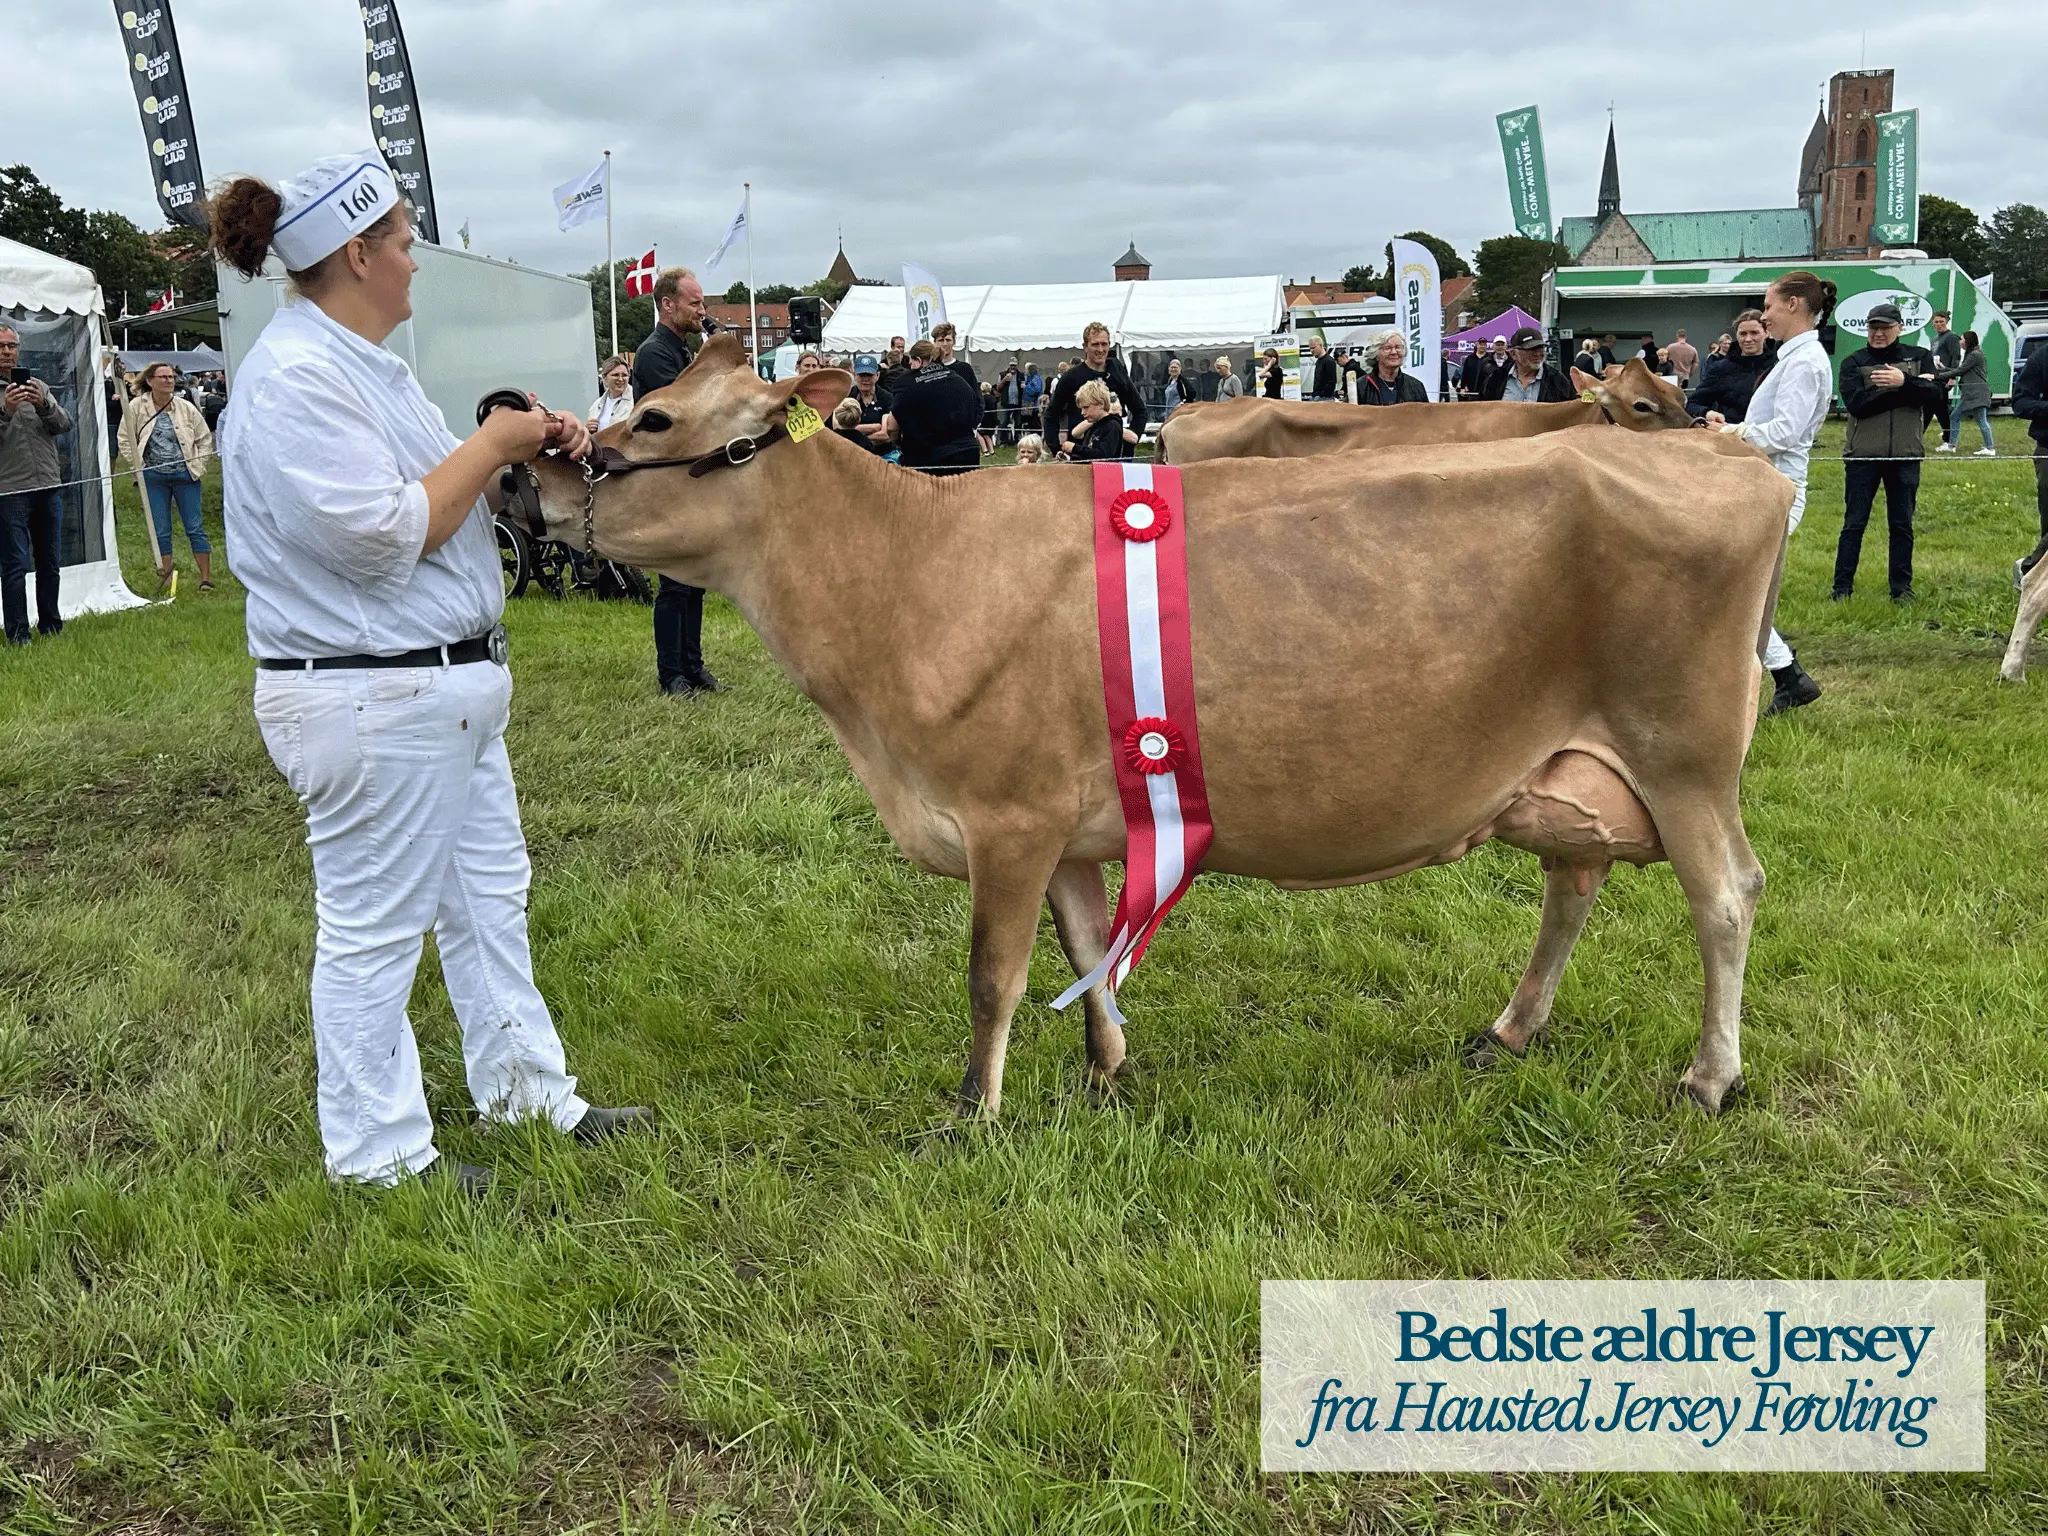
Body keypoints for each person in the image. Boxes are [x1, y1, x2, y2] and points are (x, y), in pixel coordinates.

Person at [208, 152, 651, 1191]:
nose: (415, 262)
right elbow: (380, 535)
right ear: (358, 255)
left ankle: (528, 1092)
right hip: (371, 692)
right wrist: (491, 442)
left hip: (433, 690)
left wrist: (518, 452)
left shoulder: (370, 367)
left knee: (489, 901)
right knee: (374, 930)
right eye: (404, 244)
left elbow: (442, 497)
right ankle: (379, 1156)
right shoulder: (295, 380)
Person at [1702, 270, 1836, 716]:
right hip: (1763, 485)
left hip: (1777, 489)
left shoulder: (1805, 361)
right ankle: (1786, 676)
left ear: (1793, 305)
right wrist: (1732, 429)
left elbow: (1784, 433)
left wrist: (1730, 432)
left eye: (1769, 306)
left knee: (1733, 588)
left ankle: (1785, 675)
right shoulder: (1796, 357)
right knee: (1731, 587)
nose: (1764, 316)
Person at [632, 267, 720, 695]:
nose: (702, 311)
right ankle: (671, 674)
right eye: (694, 303)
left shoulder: (682, 350)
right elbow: (686, 412)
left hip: (687, 477)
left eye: (702, 303)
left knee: (694, 579)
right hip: (663, 480)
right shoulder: (655, 354)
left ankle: (693, 665)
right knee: (673, 582)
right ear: (668, 305)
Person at [1835, 300, 1943, 602]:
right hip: (1863, 456)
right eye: (1873, 327)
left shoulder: (1919, 356)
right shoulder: (1853, 362)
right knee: (1854, 524)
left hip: (1905, 455)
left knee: (1902, 525)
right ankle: (1841, 588)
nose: (1878, 333)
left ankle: (1901, 589)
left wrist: (1904, 381)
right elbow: (1857, 405)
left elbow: (1935, 394)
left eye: (1885, 327)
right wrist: (1904, 390)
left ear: (1900, 328)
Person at [118, 360, 217, 592]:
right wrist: (138, 466)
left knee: (195, 527)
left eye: (171, 377)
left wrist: (199, 465)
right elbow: (125, 438)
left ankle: (205, 579)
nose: (169, 380)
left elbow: (204, 438)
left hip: (186, 476)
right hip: (153, 478)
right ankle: (165, 576)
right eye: (163, 377)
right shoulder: (136, 407)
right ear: (150, 381)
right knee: (160, 529)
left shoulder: (185, 407)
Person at [0, 323, 69, 645]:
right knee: (15, 565)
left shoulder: (37, 385)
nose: (7, 352)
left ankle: (51, 626)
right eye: (1, 346)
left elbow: (64, 424)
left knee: (50, 562)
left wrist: (44, 405)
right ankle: (18, 634)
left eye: (12, 345)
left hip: (47, 485)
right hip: (9, 489)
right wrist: (6, 411)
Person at [882, 339, 982, 473]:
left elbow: (892, 427)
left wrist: (898, 443)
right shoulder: (958, 379)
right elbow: (976, 410)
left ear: (919, 361)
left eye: (911, 362)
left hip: (928, 461)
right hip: (968, 455)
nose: (910, 366)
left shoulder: (905, 383)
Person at [1042, 322, 1148, 448]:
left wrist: (1129, 444)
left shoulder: (1116, 371)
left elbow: (1140, 410)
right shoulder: (1071, 377)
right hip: (1081, 451)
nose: (1100, 350)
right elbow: (1051, 415)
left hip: (1114, 451)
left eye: (1104, 344)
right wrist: (1055, 449)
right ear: (1085, 347)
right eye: (1095, 344)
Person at [1685, 310, 1775, 423]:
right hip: (1731, 431)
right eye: (1742, 334)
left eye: (1754, 333)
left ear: (1766, 333)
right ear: (1736, 335)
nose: (1748, 339)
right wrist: (1707, 413)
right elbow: (1692, 404)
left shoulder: (1778, 365)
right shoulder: (1721, 369)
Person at [2010, 336, 2048, 587]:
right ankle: (2031, 572)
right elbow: (2020, 402)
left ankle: (2031, 570)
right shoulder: (2042, 357)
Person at [1481, 326, 1574, 403]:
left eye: (1540, 348)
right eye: (1530, 349)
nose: (1537, 354)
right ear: (1513, 354)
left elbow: (1570, 413)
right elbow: (1482, 412)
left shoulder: (1558, 381)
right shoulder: (1496, 379)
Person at [1943, 331, 1995, 457]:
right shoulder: (1972, 354)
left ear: (1968, 341)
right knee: (1957, 416)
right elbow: (1962, 370)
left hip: (1976, 393)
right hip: (1971, 394)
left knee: (1978, 419)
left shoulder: (1975, 355)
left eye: (1962, 339)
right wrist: (1943, 368)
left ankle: (1990, 448)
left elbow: (1961, 370)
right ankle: (1952, 445)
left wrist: (1938, 375)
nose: (1960, 342)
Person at [1060, 378, 1139, 460]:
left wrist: (1075, 448)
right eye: (1081, 409)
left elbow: (1104, 455)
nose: (1082, 412)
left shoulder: (1112, 426)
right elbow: (1088, 455)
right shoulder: (1094, 426)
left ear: (1101, 404)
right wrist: (1069, 458)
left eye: (1086, 407)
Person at [1355, 330, 1427, 405]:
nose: (1394, 352)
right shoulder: (1361, 386)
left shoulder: (1416, 386)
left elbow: (1427, 412)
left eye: (1398, 347)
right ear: (1376, 355)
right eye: (1387, 348)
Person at [843, 353, 893, 455]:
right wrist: (874, 428)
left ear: (877, 375)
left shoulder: (887, 398)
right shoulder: (847, 396)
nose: (866, 379)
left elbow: (886, 435)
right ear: (854, 375)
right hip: (852, 454)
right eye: (862, 375)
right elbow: (840, 429)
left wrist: (856, 434)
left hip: (882, 455)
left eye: (869, 375)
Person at [1928, 311, 1963, 451]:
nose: (1938, 324)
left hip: (1945, 377)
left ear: (1946, 322)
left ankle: (1948, 439)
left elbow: (1956, 357)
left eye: (1941, 322)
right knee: (1938, 408)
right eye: (1936, 322)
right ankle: (1947, 434)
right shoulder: (1934, 339)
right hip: (1935, 376)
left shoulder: (1951, 337)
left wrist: (1952, 377)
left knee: (1940, 408)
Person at [586, 353, 633, 432]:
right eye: (615, 375)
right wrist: (587, 429)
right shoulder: (596, 406)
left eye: (624, 375)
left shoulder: (636, 401)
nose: (620, 379)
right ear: (604, 377)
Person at [929, 322, 976, 389]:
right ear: (935, 343)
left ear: (954, 342)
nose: (945, 344)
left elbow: (975, 394)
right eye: (941, 340)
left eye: (948, 340)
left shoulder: (965, 369)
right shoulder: (929, 370)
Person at [1305, 335, 1338, 402]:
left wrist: (1320, 395)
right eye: (1310, 348)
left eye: (1313, 348)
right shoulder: (1318, 361)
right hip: (1317, 397)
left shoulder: (1329, 361)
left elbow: (1331, 383)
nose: (1311, 350)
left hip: (1325, 398)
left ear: (1320, 346)